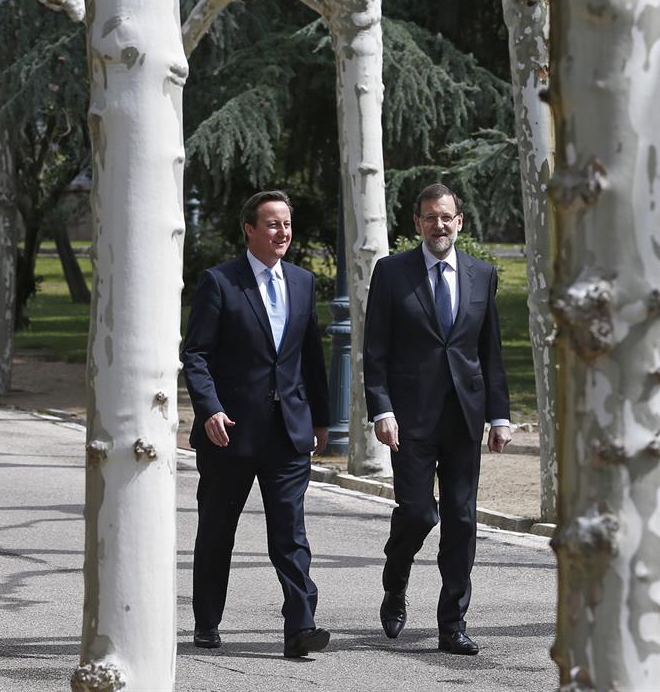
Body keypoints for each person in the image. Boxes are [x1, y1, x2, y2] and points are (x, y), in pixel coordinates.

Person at [181, 190, 332, 659]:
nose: (282, 232)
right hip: (229, 434)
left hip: (287, 433)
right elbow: (196, 354)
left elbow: (311, 358)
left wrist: (322, 420)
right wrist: (209, 409)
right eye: (272, 224)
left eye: (287, 224)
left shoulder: (304, 283)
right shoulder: (220, 283)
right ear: (249, 229)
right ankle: (207, 621)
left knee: (290, 534)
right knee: (217, 532)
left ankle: (300, 627)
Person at [363, 183, 512, 656]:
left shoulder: (481, 274)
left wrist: (500, 415)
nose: (439, 225)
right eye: (430, 217)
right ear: (417, 224)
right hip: (409, 421)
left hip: (464, 419)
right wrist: (381, 409)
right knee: (418, 512)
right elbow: (375, 351)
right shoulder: (391, 273)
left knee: (462, 520)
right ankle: (396, 580)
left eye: (446, 217)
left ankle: (453, 623)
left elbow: (490, 351)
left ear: (459, 221)